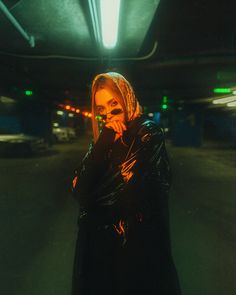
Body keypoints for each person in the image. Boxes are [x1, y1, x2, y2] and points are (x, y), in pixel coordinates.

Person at [71, 72, 181, 295]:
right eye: (102, 109)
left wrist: (92, 196)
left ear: (126, 97)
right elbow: (80, 190)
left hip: (134, 246)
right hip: (100, 248)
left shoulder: (146, 132)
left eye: (114, 102)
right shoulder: (106, 136)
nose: (109, 112)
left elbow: (126, 195)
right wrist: (104, 140)